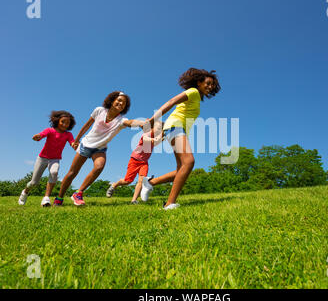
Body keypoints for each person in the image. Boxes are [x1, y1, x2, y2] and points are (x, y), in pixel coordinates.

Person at [140, 68, 221, 210]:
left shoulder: (197, 97)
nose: (210, 87)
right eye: (207, 83)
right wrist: (153, 120)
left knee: (181, 170)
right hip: (175, 127)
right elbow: (171, 101)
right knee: (189, 162)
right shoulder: (193, 92)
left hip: (175, 128)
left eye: (212, 85)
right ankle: (170, 203)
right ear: (198, 83)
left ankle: (150, 183)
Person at [55, 91, 146, 206]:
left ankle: (78, 193)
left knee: (99, 166)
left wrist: (142, 123)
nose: (121, 103)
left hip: (100, 148)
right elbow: (86, 125)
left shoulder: (121, 120)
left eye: (124, 103)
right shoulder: (99, 110)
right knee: (72, 173)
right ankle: (59, 198)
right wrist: (76, 140)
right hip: (86, 144)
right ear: (112, 100)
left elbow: (130, 122)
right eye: (119, 100)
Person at [18, 110, 76, 207]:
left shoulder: (68, 134)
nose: (65, 125)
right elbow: (42, 135)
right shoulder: (50, 130)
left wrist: (75, 145)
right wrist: (37, 137)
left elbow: (72, 143)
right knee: (34, 182)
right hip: (42, 158)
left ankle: (46, 198)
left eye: (68, 123)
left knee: (54, 173)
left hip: (55, 159)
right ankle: (25, 192)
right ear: (57, 121)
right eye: (63, 122)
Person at [106, 121, 164, 204]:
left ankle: (134, 200)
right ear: (152, 128)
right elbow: (146, 139)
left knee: (141, 180)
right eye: (157, 128)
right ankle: (114, 185)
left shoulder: (154, 138)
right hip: (134, 160)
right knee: (127, 181)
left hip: (144, 163)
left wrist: (161, 136)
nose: (158, 130)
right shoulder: (147, 134)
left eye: (160, 129)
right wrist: (155, 138)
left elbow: (156, 142)